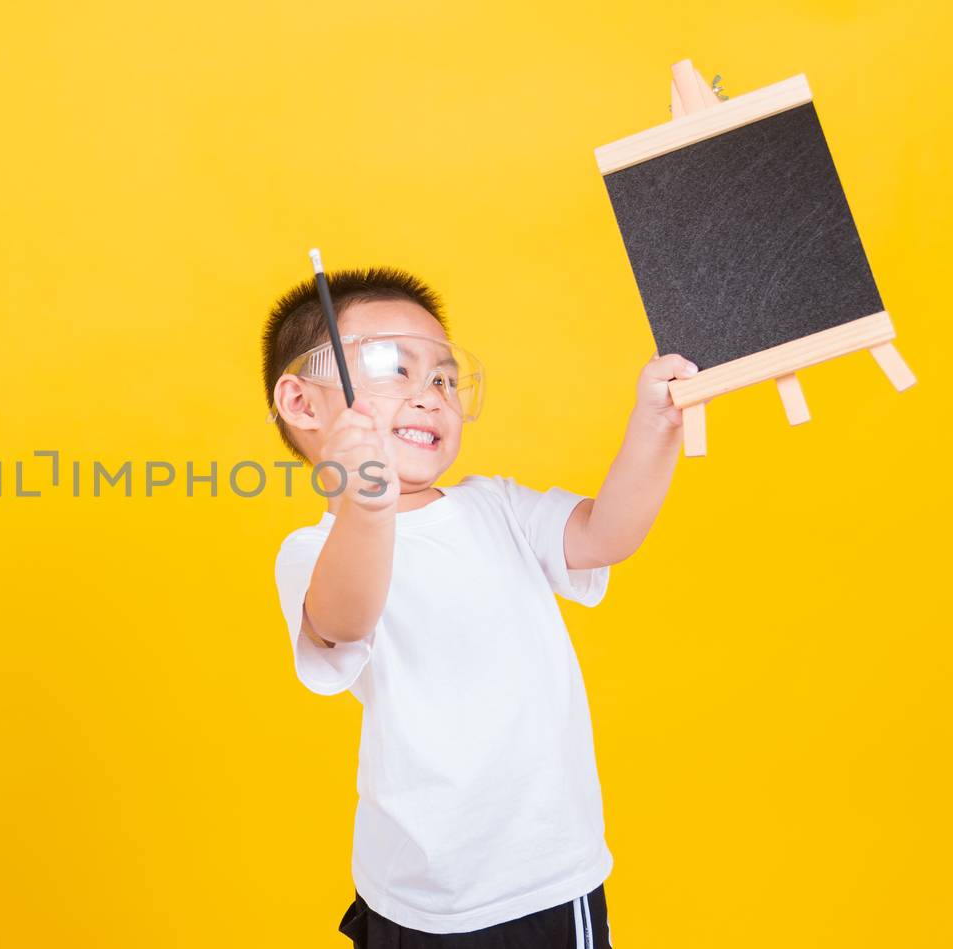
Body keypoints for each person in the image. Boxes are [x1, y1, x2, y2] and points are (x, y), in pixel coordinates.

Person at [265, 266, 696, 947]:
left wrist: (655, 423)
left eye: (443, 377)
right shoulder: (316, 549)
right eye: (391, 368)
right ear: (303, 401)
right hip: (416, 893)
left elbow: (602, 534)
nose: (430, 396)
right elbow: (344, 617)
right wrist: (366, 503)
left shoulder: (496, 506)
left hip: (550, 875)